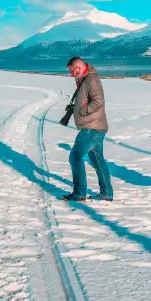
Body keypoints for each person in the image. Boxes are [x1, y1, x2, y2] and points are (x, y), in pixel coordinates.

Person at [62, 57, 113, 203]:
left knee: (75, 157)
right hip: (96, 126)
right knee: (97, 161)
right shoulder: (85, 79)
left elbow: (98, 101)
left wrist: (83, 111)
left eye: (72, 71)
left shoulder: (91, 80)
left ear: (79, 67)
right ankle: (106, 194)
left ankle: (79, 194)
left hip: (92, 127)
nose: (71, 74)